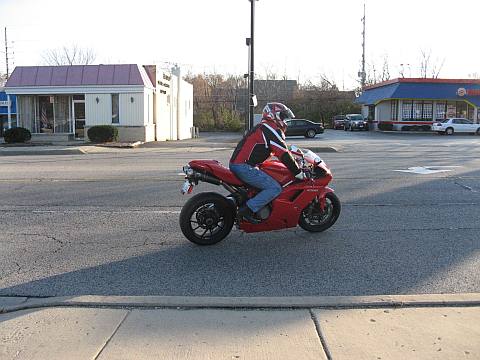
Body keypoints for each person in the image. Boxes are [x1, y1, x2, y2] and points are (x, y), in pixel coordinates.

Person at [229, 102, 305, 223]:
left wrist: (294, 156)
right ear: (273, 115)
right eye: (283, 117)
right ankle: (247, 210)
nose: (285, 120)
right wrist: (297, 172)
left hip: (242, 164)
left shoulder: (264, 127)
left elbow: (280, 149)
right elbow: (283, 154)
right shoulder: (271, 129)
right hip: (244, 167)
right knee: (274, 188)